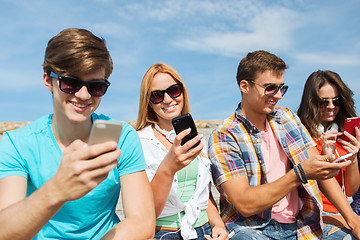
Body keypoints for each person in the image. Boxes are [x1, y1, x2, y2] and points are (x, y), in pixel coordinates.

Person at [0, 28, 155, 239]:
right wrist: (57, 190)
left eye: (96, 86)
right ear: (48, 80)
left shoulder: (122, 137)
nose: (83, 95)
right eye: (70, 82)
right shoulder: (16, 144)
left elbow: (142, 221)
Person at [208, 50, 352, 240]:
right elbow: (244, 204)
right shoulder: (225, 135)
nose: (277, 96)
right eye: (270, 88)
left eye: (281, 88)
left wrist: (354, 221)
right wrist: (299, 174)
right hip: (250, 229)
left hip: (301, 225)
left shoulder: (288, 118)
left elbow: (315, 169)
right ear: (245, 86)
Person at [136, 63, 228, 240]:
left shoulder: (196, 140)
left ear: (182, 92)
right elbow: (145, 213)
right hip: (164, 234)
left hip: (203, 232)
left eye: (174, 90)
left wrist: (218, 225)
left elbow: (203, 196)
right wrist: (168, 168)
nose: (168, 99)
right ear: (148, 102)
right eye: (156, 95)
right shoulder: (140, 142)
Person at [298, 70, 360, 238]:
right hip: (313, 215)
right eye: (323, 102)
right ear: (311, 102)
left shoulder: (340, 136)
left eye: (336, 100)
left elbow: (350, 190)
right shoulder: (300, 138)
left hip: (340, 213)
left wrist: (353, 158)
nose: (331, 106)